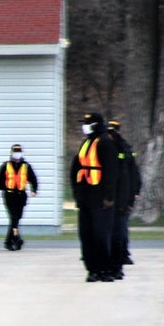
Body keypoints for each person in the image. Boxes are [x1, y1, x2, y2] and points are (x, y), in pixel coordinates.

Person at [71, 112, 120, 282]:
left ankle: (105, 269)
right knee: (86, 235)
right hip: (86, 196)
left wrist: (108, 196)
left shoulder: (106, 142)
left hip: (100, 197)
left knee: (100, 235)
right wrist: (77, 193)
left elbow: (112, 171)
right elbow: (75, 168)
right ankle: (92, 269)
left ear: (96, 125)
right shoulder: (86, 143)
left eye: (87, 123)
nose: (84, 126)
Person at [107, 120, 141, 276]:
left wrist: (135, 190)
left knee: (121, 229)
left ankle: (122, 255)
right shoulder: (106, 148)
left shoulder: (124, 147)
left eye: (113, 131)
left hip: (123, 195)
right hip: (111, 196)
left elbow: (133, 171)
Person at [0, 144, 38, 251]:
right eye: (15, 151)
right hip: (9, 195)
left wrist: (34, 190)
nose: (17, 153)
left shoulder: (26, 166)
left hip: (21, 196)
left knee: (16, 219)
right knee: (14, 218)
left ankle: (10, 240)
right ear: (11, 153)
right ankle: (16, 238)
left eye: (19, 151)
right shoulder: (5, 166)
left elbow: (33, 178)